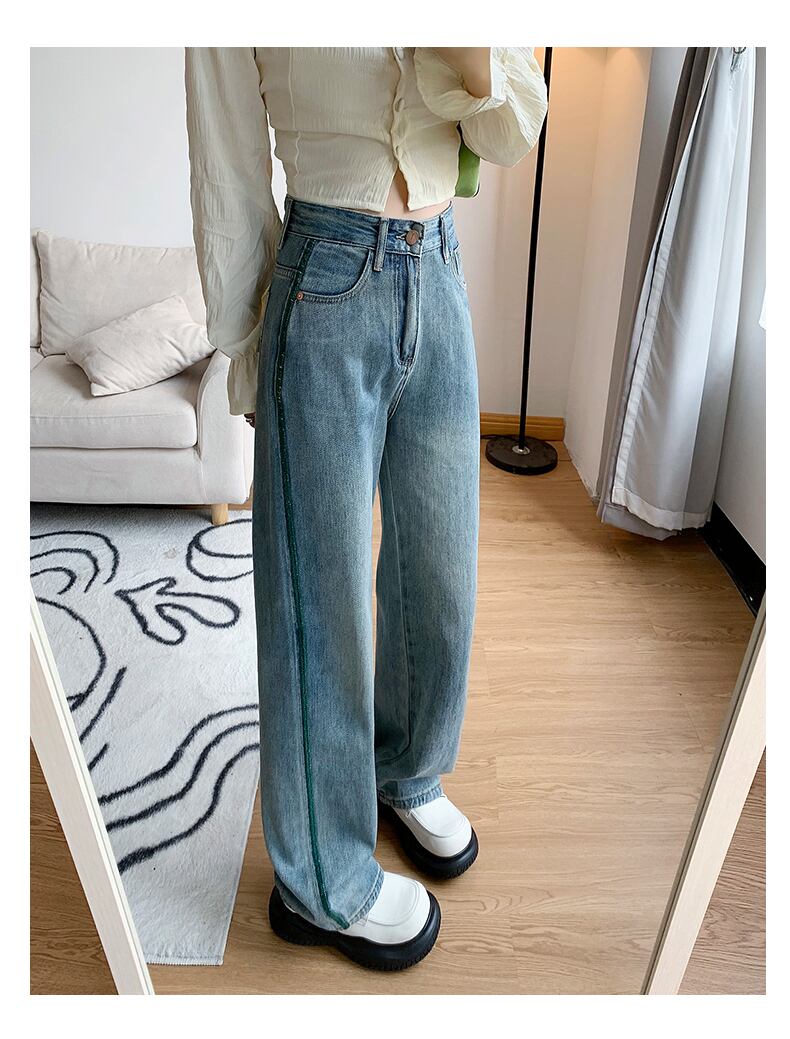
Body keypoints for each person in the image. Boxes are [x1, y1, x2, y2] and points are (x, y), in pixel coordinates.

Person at [184, 46, 547, 972]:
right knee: (321, 603)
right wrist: (250, 348)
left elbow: (511, 131)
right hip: (325, 275)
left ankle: (404, 769)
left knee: (440, 572)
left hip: (441, 267)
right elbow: (226, 164)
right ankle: (320, 877)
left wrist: (469, 52)